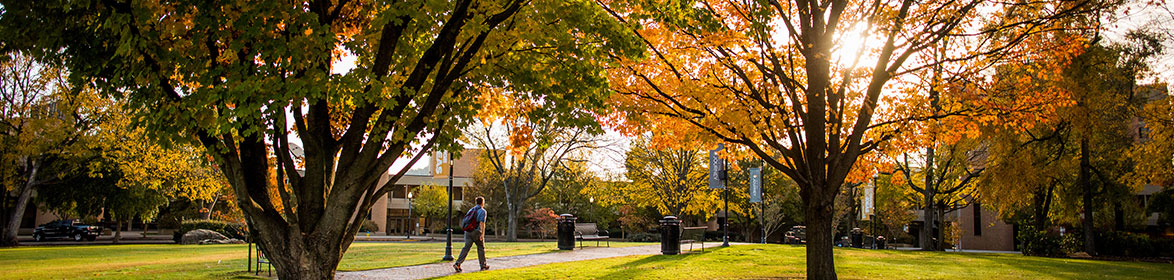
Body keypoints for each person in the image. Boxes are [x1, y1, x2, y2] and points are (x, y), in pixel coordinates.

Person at [453, 196, 488, 272]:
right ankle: (483, 265)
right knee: (481, 248)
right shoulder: (482, 211)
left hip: (468, 231)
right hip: (476, 231)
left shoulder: (471, 210)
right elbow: (482, 223)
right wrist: (482, 234)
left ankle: (458, 263)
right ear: (482, 202)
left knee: (466, 248)